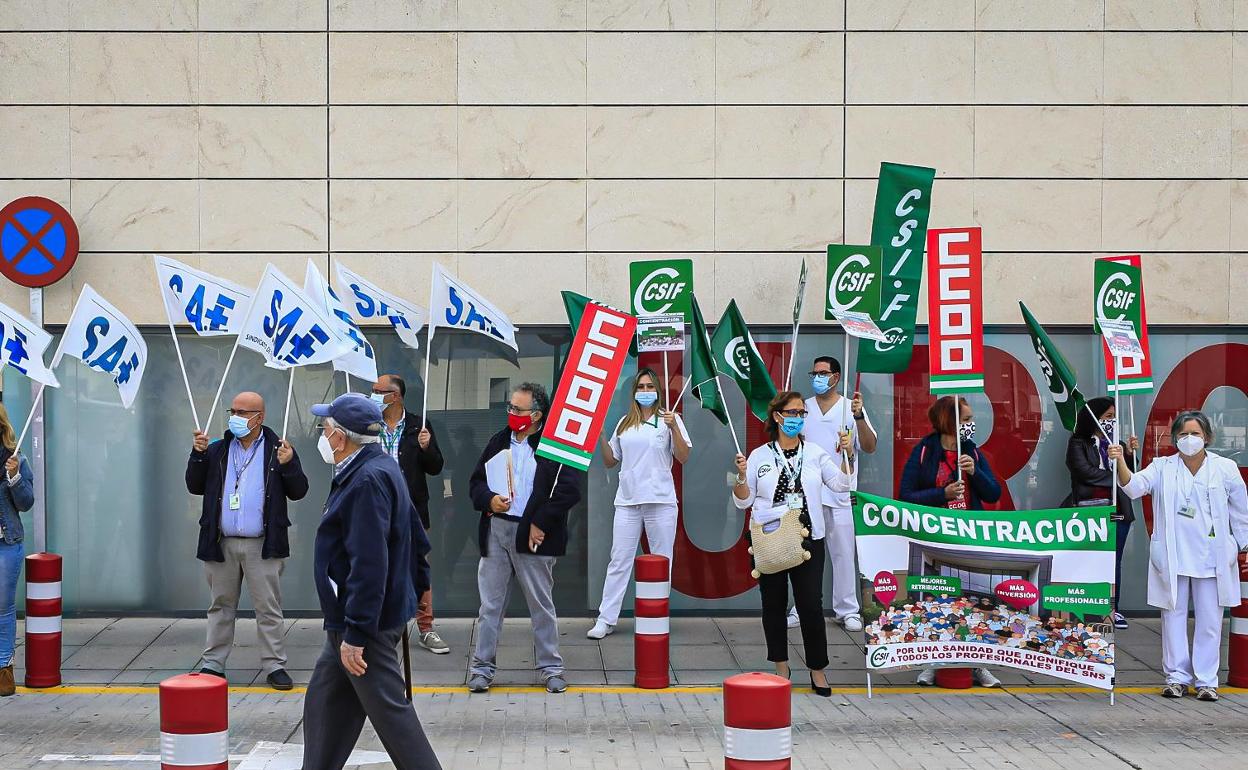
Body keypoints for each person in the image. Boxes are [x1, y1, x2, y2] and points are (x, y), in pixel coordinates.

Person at [302, 394, 441, 770]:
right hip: (352, 621)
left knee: (396, 722)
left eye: (325, 428)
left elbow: (369, 564)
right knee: (323, 705)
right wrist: (415, 593)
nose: (322, 434)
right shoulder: (379, 466)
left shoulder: (365, 480)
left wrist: (358, 633)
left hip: (364, 624)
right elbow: (417, 540)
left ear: (341, 438)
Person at [1109, 410, 1248, 702]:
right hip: (1174, 555)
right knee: (1172, 617)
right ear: (1174, 438)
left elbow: (1241, 512)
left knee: (1210, 621)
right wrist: (1120, 459)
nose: (1189, 439)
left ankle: (1207, 681)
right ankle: (1176, 678)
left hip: (1213, 556)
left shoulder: (1225, 468)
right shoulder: (1162, 467)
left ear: (1207, 437)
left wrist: (1240, 545)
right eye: (1183, 434)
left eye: (1195, 434)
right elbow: (1134, 488)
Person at [731, 391, 855, 697]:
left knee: (811, 605)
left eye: (802, 413)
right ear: (777, 416)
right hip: (771, 538)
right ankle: (781, 667)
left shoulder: (814, 453)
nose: (798, 418)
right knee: (773, 605)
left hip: (808, 538)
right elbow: (743, 501)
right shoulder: (759, 455)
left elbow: (840, 485)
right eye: (792, 412)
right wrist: (741, 477)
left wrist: (847, 456)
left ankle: (818, 669)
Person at [186, 391, 308, 690]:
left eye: (243, 413)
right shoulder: (217, 449)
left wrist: (289, 464)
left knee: (268, 608)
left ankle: (274, 665)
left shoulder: (279, 449)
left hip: (262, 543)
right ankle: (213, 663)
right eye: (234, 411)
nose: (236, 418)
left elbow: (299, 490)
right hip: (222, 542)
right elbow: (194, 485)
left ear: (259, 417)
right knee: (220, 605)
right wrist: (198, 455)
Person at [467, 383, 581, 694]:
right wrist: (489, 500)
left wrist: (539, 522)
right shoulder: (498, 441)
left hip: (533, 535)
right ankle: (481, 668)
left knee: (540, 604)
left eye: (518, 409)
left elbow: (568, 490)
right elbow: (476, 482)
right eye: (510, 407)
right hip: (496, 530)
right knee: (490, 606)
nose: (511, 413)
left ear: (536, 414)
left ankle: (550, 668)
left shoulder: (553, 445)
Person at [899, 395, 1002, 688]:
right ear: (948, 421)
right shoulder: (924, 452)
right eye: (966, 420)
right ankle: (933, 663)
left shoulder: (973, 453)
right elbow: (905, 495)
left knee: (974, 603)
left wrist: (975, 472)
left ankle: (978, 665)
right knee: (937, 603)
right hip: (935, 540)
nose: (971, 425)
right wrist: (940, 495)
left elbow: (993, 493)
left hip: (970, 538)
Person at [587, 368, 691, 640]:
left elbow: (683, 456)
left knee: (661, 560)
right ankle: (606, 619)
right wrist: (600, 435)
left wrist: (673, 428)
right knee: (619, 560)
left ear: (657, 390)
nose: (645, 392)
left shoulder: (670, 419)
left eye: (649, 386)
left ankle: (657, 615)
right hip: (628, 500)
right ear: (633, 392)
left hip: (660, 500)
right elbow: (611, 460)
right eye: (640, 387)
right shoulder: (624, 422)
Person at [791, 355, 878, 632]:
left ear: (836, 377)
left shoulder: (850, 409)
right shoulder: (802, 408)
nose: (817, 377)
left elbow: (870, 445)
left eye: (823, 373)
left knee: (843, 555)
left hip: (841, 493)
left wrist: (859, 417)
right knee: (803, 555)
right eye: (814, 372)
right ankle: (800, 608)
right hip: (808, 496)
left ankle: (848, 610)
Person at [371, 373, 447, 654]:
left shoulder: (419, 425)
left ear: (396, 396)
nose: (374, 395)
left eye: (379, 391)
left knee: (418, 569)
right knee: (378, 568)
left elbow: (436, 466)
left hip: (411, 509)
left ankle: (426, 627)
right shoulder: (368, 425)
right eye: (373, 390)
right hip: (376, 510)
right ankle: (380, 627)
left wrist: (427, 448)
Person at [1064, 396, 1139, 628]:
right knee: (1087, 561)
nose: (1112, 422)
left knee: (1113, 560)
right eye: (1108, 417)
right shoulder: (1078, 442)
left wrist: (1130, 455)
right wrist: (1116, 478)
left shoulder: (1117, 444)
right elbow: (1084, 473)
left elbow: (1133, 477)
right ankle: (1086, 607)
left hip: (1119, 511)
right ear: (1094, 417)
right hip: (1088, 511)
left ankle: (1112, 609)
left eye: (1115, 417)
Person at [0, 405, 34, 697]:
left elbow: (26, 503)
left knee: (3, 608)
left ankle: (4, 671)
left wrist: (14, 478)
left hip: (5, 544)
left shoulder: (15, 459)